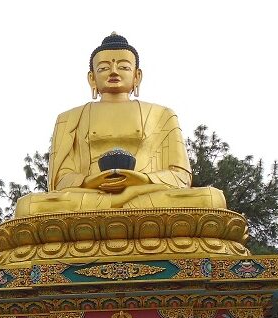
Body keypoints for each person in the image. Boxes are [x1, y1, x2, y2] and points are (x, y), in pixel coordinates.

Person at [14, 33, 226, 217]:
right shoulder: (69, 118)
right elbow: (60, 181)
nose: (113, 72)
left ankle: (117, 209)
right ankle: (119, 209)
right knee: (28, 207)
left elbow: (180, 176)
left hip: (148, 196)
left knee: (210, 199)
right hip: (90, 197)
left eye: (123, 66)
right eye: (104, 67)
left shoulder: (162, 114)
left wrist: (140, 180)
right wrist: (90, 181)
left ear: (137, 76)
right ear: (92, 78)